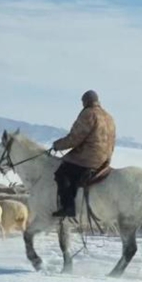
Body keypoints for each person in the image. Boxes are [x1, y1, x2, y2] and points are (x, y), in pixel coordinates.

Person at [50, 90, 116, 218]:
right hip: (105, 158)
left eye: (82, 102)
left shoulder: (89, 114)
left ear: (86, 101)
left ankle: (68, 207)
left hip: (89, 157)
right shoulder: (108, 116)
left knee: (62, 173)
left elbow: (75, 137)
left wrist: (57, 145)